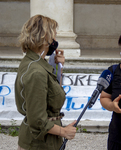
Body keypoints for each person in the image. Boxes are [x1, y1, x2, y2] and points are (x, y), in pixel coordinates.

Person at [15, 15, 77, 150]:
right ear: (45, 38)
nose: (55, 40)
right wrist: (64, 131)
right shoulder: (36, 71)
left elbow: (53, 94)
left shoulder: (35, 62)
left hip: (47, 140)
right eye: (53, 36)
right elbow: (37, 120)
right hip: (39, 143)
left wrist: (58, 68)